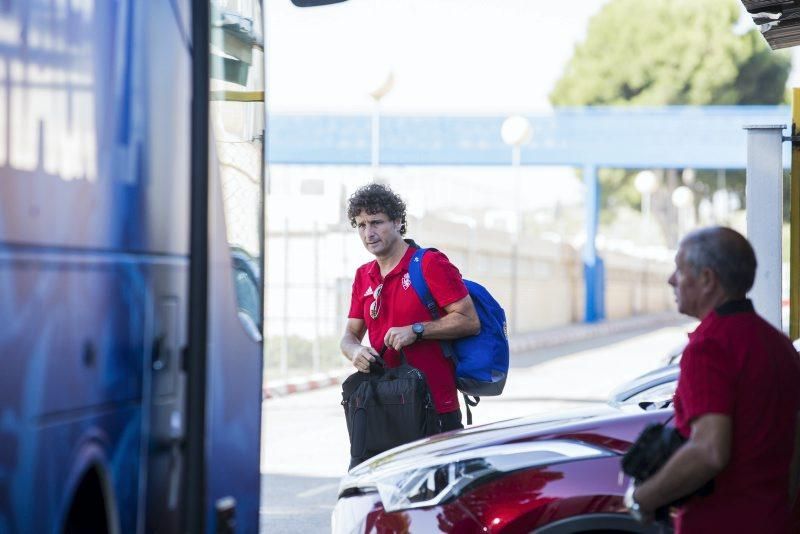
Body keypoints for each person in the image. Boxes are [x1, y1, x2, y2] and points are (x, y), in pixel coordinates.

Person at [627, 226, 800, 533]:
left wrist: (641, 499)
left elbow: (709, 451)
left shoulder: (710, 346)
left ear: (707, 279)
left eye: (680, 270)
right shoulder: (779, 344)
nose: (671, 279)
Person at [339, 183, 480, 441]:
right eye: (361, 225)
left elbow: (469, 320)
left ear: (397, 221)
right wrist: (355, 351)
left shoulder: (429, 264)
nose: (368, 232)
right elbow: (349, 336)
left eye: (376, 222)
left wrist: (417, 330)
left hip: (434, 407)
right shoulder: (363, 276)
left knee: (435, 483)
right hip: (382, 407)